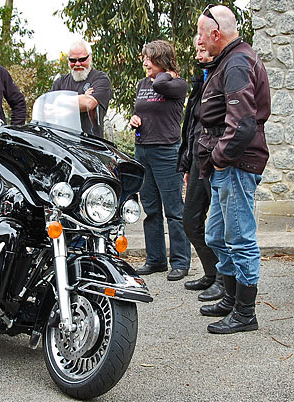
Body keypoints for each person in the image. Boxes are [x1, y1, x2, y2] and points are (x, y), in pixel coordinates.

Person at [196, 5, 270, 334]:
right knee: (216, 234)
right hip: (226, 166)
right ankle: (229, 296)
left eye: (200, 34)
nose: (197, 40)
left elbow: (242, 124)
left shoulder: (238, 61)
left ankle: (245, 312)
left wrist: (218, 158)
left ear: (216, 34)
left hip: (236, 164)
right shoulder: (230, 59)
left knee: (240, 239)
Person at [129, 40, 191, 281]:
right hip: (142, 150)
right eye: (144, 57)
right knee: (151, 209)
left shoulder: (177, 84)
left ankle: (180, 262)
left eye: (150, 58)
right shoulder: (143, 83)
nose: (145, 62)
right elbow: (143, 110)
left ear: (163, 60)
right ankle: (156, 260)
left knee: (174, 210)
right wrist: (135, 119)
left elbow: (163, 85)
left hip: (166, 151)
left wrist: (165, 74)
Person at [177, 37, 225, 302]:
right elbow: (191, 128)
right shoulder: (200, 82)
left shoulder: (224, 76)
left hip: (216, 159)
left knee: (219, 227)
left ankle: (222, 280)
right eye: (197, 49)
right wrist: (187, 163)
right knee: (191, 221)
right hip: (197, 160)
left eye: (204, 49)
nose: (200, 53)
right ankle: (211, 272)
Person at [51, 39, 112, 138]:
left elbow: (89, 103)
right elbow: (49, 108)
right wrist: (82, 98)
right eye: (73, 60)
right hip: (63, 143)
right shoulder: (60, 82)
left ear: (90, 57)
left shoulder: (100, 78)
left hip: (91, 144)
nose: (77, 64)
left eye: (82, 59)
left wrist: (59, 100)